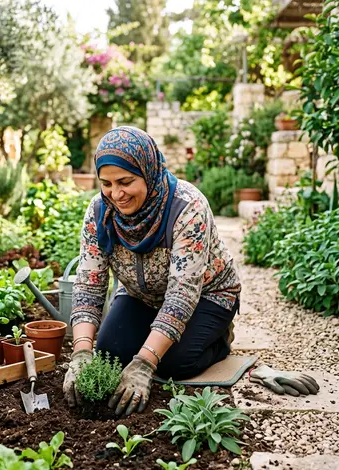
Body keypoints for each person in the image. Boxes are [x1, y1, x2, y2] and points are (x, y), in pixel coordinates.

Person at [63, 126, 318, 417]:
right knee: (109, 353)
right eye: (106, 184)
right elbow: (89, 283)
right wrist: (81, 352)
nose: (116, 194)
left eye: (125, 181)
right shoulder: (99, 211)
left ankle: (219, 338)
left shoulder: (186, 207)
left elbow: (182, 295)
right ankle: (155, 338)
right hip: (142, 296)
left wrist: (145, 362)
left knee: (174, 364)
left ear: (148, 172)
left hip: (207, 296)